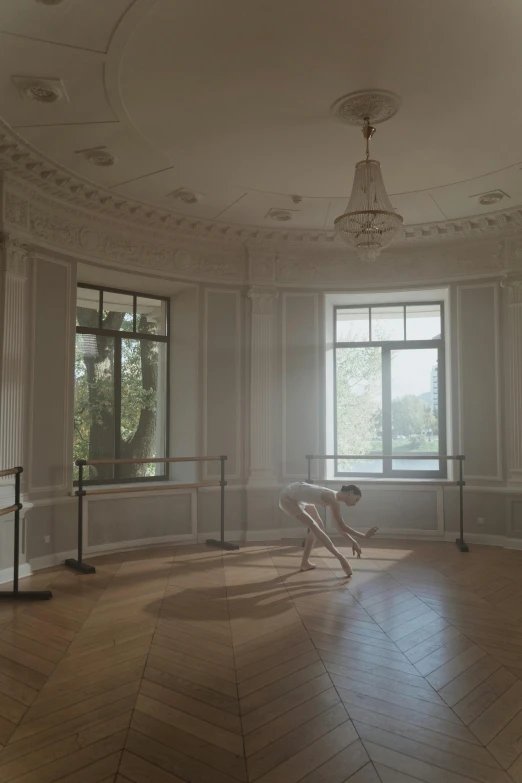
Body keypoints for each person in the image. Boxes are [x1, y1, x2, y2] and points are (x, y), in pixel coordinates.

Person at [279, 482, 378, 576]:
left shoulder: (334, 497)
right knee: (315, 526)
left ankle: (305, 563)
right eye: (356, 499)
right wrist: (364, 536)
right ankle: (341, 558)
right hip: (288, 497)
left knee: (319, 526)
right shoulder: (332, 498)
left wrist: (353, 541)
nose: (355, 503)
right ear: (351, 493)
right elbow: (342, 526)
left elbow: (339, 527)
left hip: (297, 494)